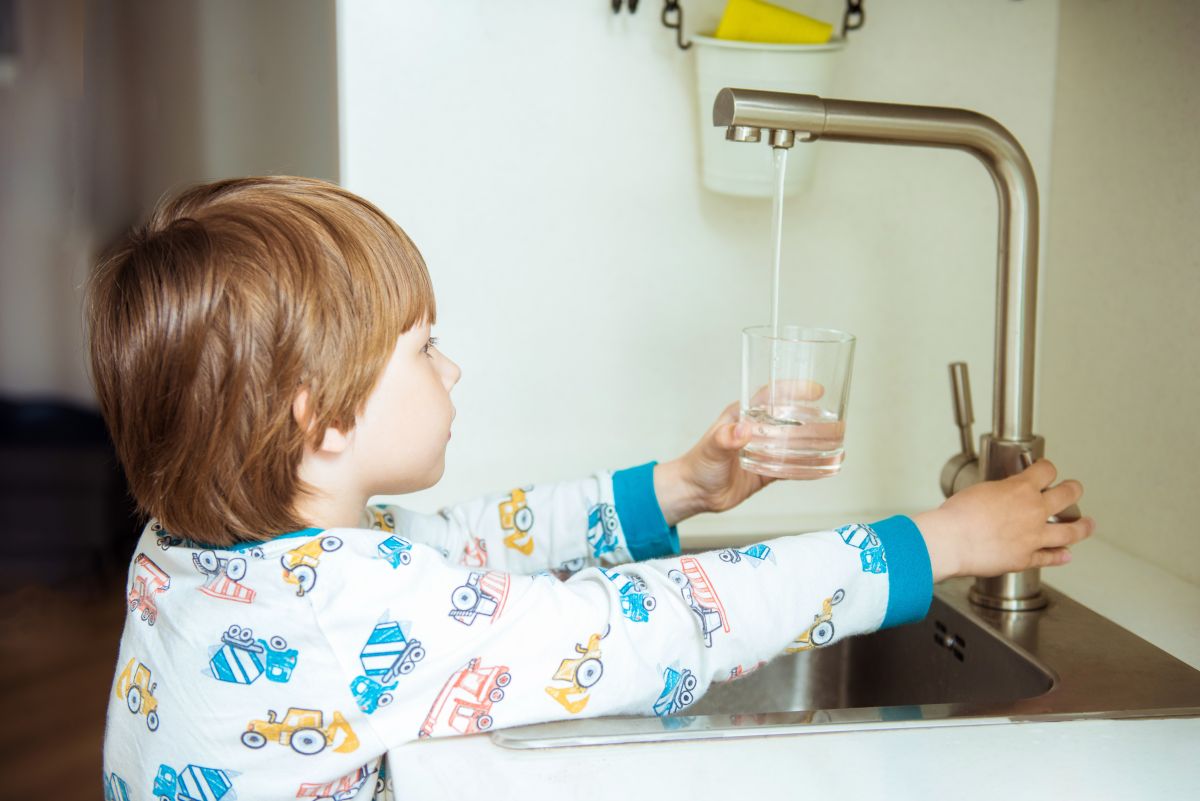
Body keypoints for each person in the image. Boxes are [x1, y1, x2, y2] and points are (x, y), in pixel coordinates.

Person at [92, 176, 1091, 800]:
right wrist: (939, 541)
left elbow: (466, 544)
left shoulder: (196, 549)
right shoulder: (353, 619)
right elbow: (661, 623)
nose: (452, 370)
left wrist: (677, 487)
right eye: (424, 349)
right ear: (321, 422)